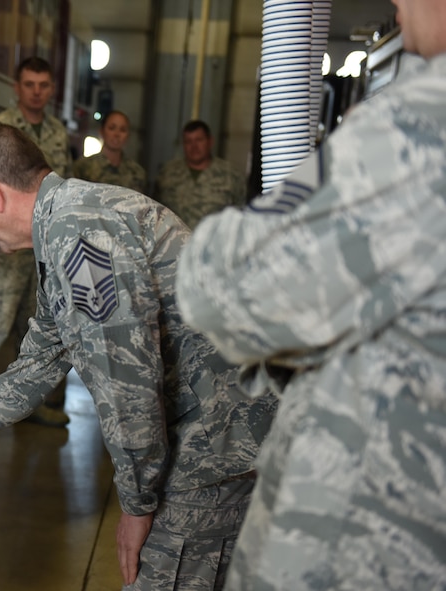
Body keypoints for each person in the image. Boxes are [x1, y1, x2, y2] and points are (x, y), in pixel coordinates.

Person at [0, 124, 278, 590]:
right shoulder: (70, 219)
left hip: (215, 447)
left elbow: (127, 388)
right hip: (219, 438)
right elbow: (36, 366)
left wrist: (137, 505)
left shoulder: (79, 237)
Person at [174, 0, 446, 588]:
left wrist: (232, 236)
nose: (398, 4)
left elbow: (226, 290)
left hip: (372, 550)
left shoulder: (425, 122)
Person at [0, 56, 72, 428]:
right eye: (29, 85)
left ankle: (37, 405)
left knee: (41, 328)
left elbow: (64, 186)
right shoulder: (0, 129)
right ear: (17, 87)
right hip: (7, 251)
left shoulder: (58, 133)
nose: (36, 92)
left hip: (44, 251)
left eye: (43, 85)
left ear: (51, 89)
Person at [152, 119, 246, 229]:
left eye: (199, 140)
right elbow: (155, 213)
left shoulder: (231, 175)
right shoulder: (167, 174)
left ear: (210, 141)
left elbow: (241, 218)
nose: (194, 146)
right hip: (175, 243)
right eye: (188, 141)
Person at [73, 110, 147, 193]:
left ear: (128, 135)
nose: (117, 134)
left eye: (122, 130)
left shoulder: (137, 173)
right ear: (102, 131)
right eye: (111, 128)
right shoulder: (84, 167)